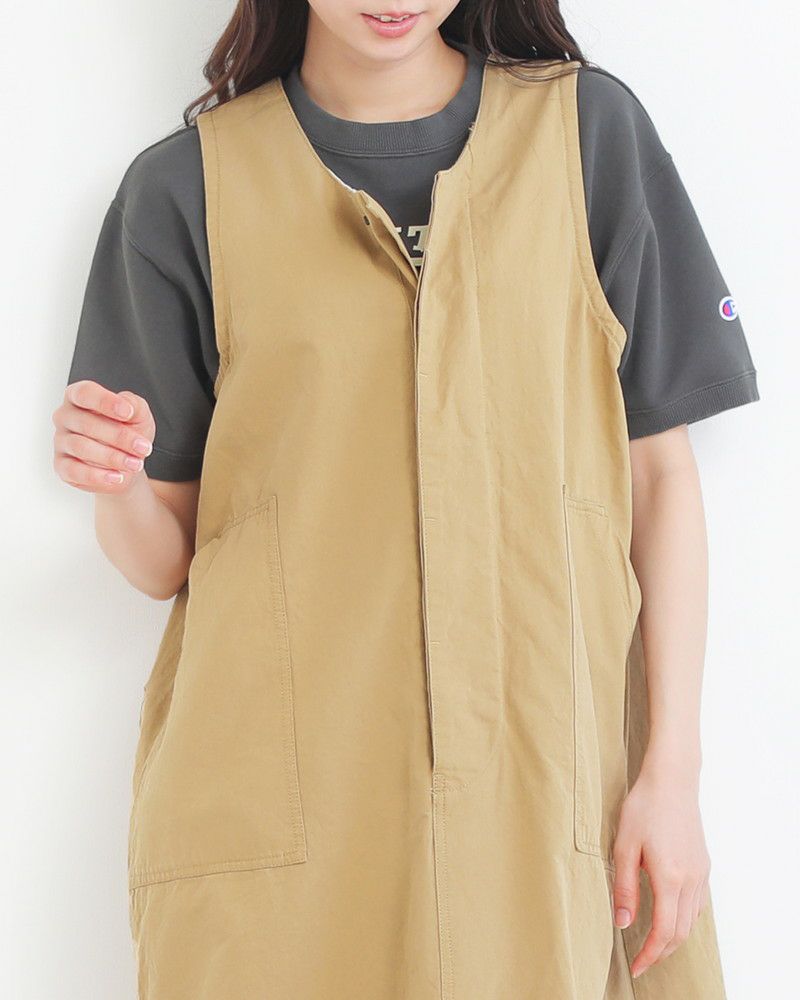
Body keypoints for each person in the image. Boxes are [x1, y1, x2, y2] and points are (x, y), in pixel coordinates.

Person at [52, 2, 760, 998]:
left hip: (547, 782)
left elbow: (659, 478)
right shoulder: (184, 188)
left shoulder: (588, 138)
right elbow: (165, 557)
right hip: (284, 799)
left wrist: (670, 774)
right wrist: (111, 478)